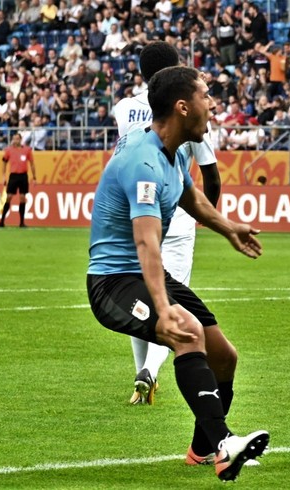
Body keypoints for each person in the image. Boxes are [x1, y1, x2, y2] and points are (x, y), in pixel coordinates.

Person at [87, 65, 269, 481]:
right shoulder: (144, 163)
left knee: (225, 356)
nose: (214, 103)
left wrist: (229, 228)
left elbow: (190, 196)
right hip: (112, 283)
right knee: (185, 330)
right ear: (183, 107)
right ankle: (226, 446)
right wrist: (165, 307)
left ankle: (201, 450)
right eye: (207, 95)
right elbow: (147, 242)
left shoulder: (176, 151)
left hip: (147, 275)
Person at [114, 41, 221, 407]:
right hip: (174, 218)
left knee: (138, 297)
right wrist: (207, 217)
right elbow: (211, 174)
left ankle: (140, 374)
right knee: (174, 301)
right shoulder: (188, 109)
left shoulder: (124, 108)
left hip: (134, 215)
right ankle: (151, 371)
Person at [0, 133, 36, 228]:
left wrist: (34, 177)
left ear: (21, 139)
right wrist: (3, 176)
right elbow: (4, 162)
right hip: (13, 176)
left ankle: (22, 222)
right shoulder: (9, 150)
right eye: (14, 139)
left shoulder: (27, 150)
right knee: (9, 197)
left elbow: (32, 164)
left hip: (23, 176)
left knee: (22, 198)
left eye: (17, 139)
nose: (15, 141)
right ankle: (2, 221)